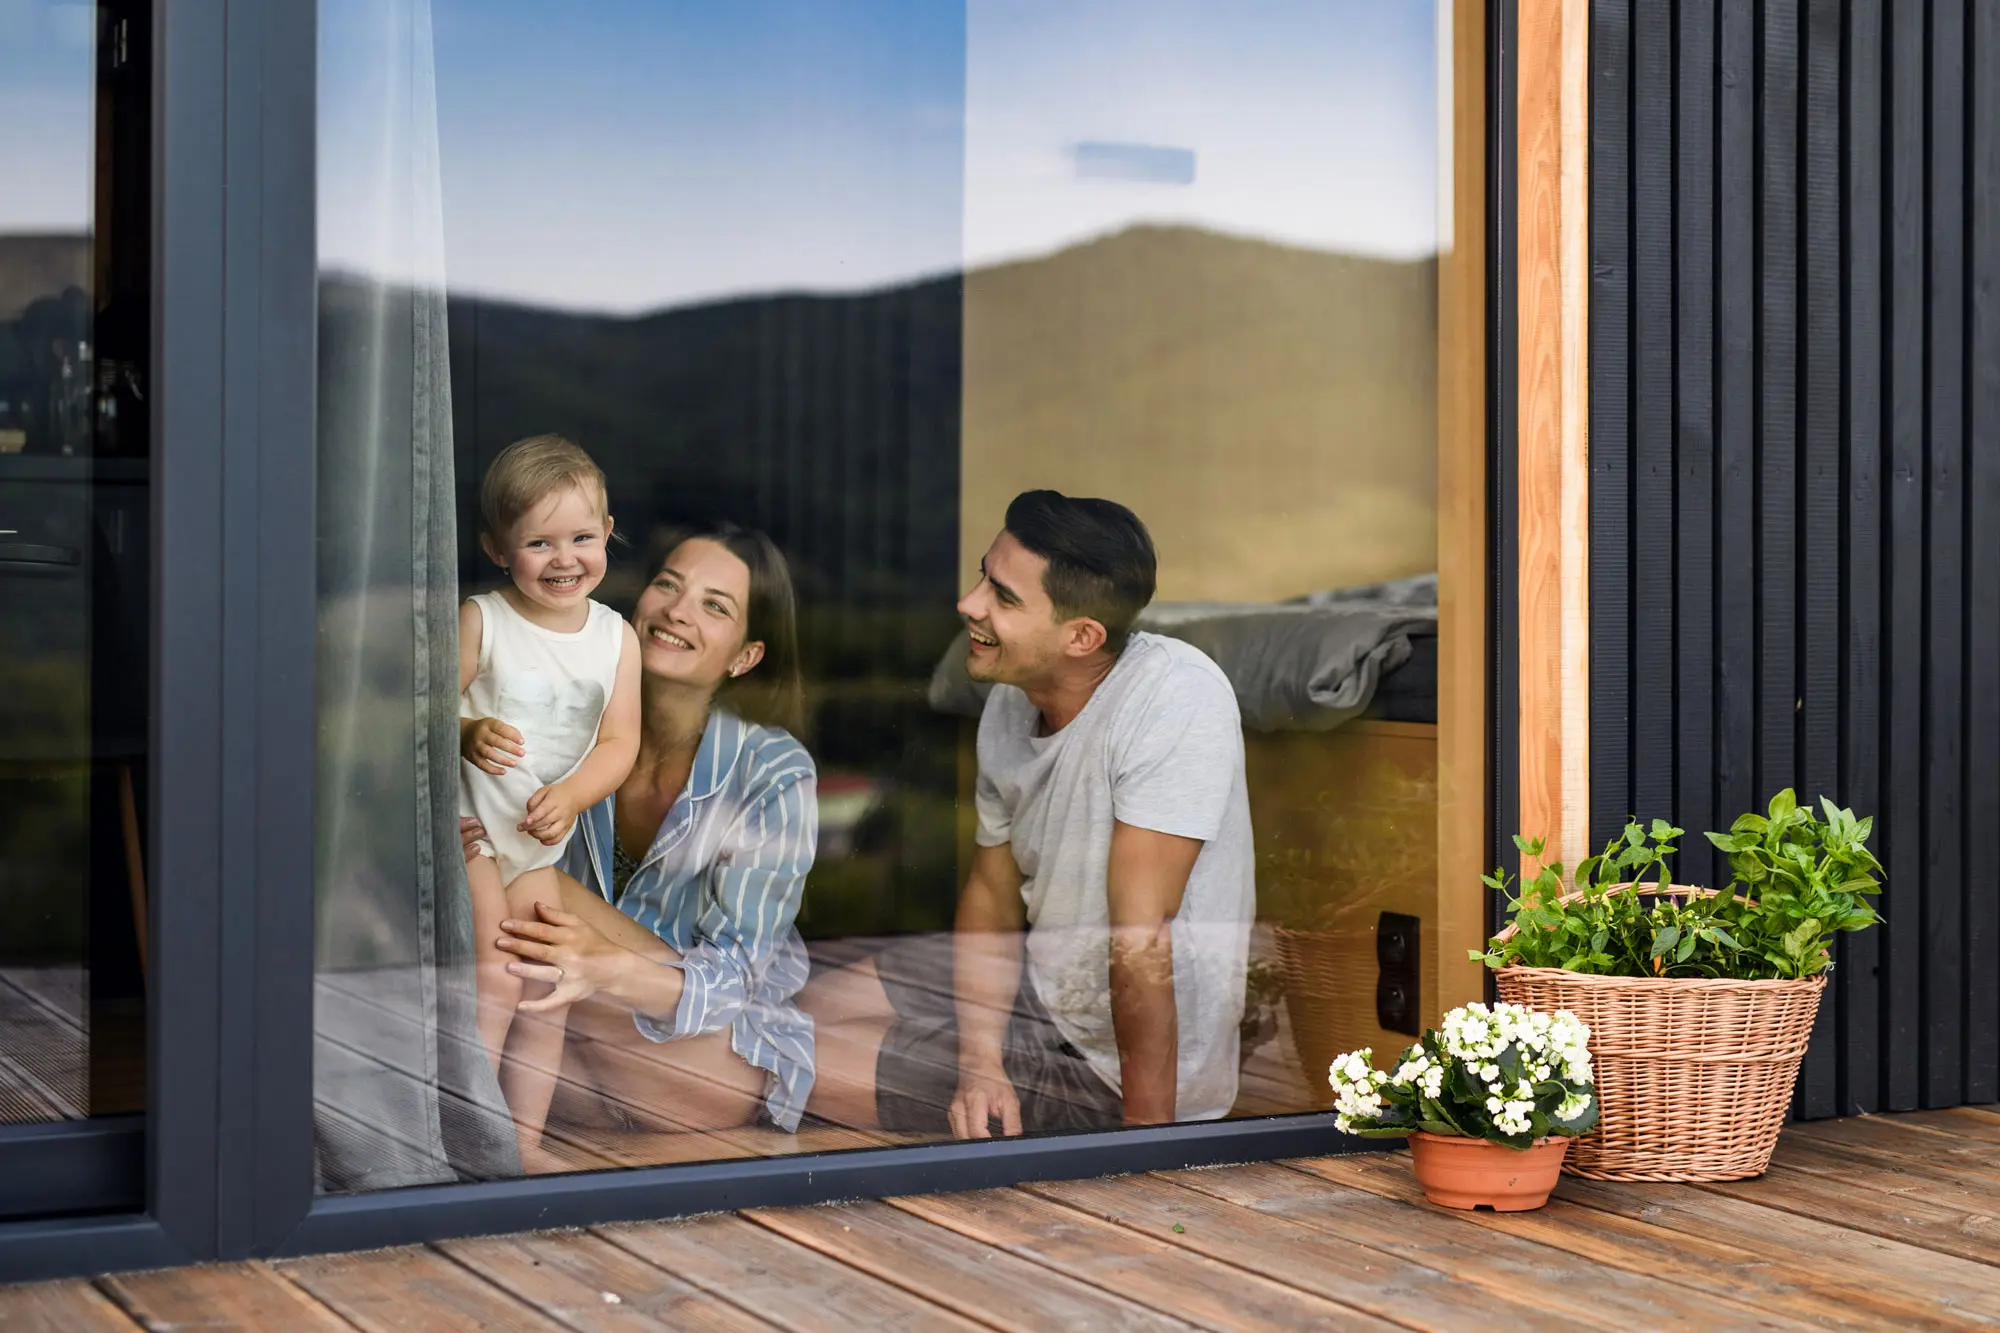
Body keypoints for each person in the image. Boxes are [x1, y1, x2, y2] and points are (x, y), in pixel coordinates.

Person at [801, 490, 1253, 1137]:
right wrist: (981, 1061)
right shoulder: (1011, 703)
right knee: (802, 1013)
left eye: (1003, 597)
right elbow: (991, 893)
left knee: (777, 1061)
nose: (968, 603)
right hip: (1039, 985)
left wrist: (1148, 1151)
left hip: (1109, 1071)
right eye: (983, 574)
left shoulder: (1176, 697)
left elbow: (1140, 942)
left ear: (1081, 637)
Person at [470, 522, 817, 1174]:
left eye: (716, 606)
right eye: (668, 584)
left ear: (744, 656)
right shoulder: (562, 722)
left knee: (530, 885)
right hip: (566, 1047)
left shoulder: (770, 769)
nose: (678, 611)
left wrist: (601, 966)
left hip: (702, 1064)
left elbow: (738, 978)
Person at [457, 435, 642, 1163]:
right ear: (498, 549)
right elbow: (420, 708)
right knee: (495, 980)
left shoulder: (614, 637)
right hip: (470, 829)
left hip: (535, 840)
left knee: (544, 985)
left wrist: (571, 794)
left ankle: (522, 1144)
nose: (565, 558)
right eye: (539, 541)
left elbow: (619, 743)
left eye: (582, 537)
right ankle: (468, 1140)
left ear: (607, 532)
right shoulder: (485, 619)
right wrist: (466, 730)